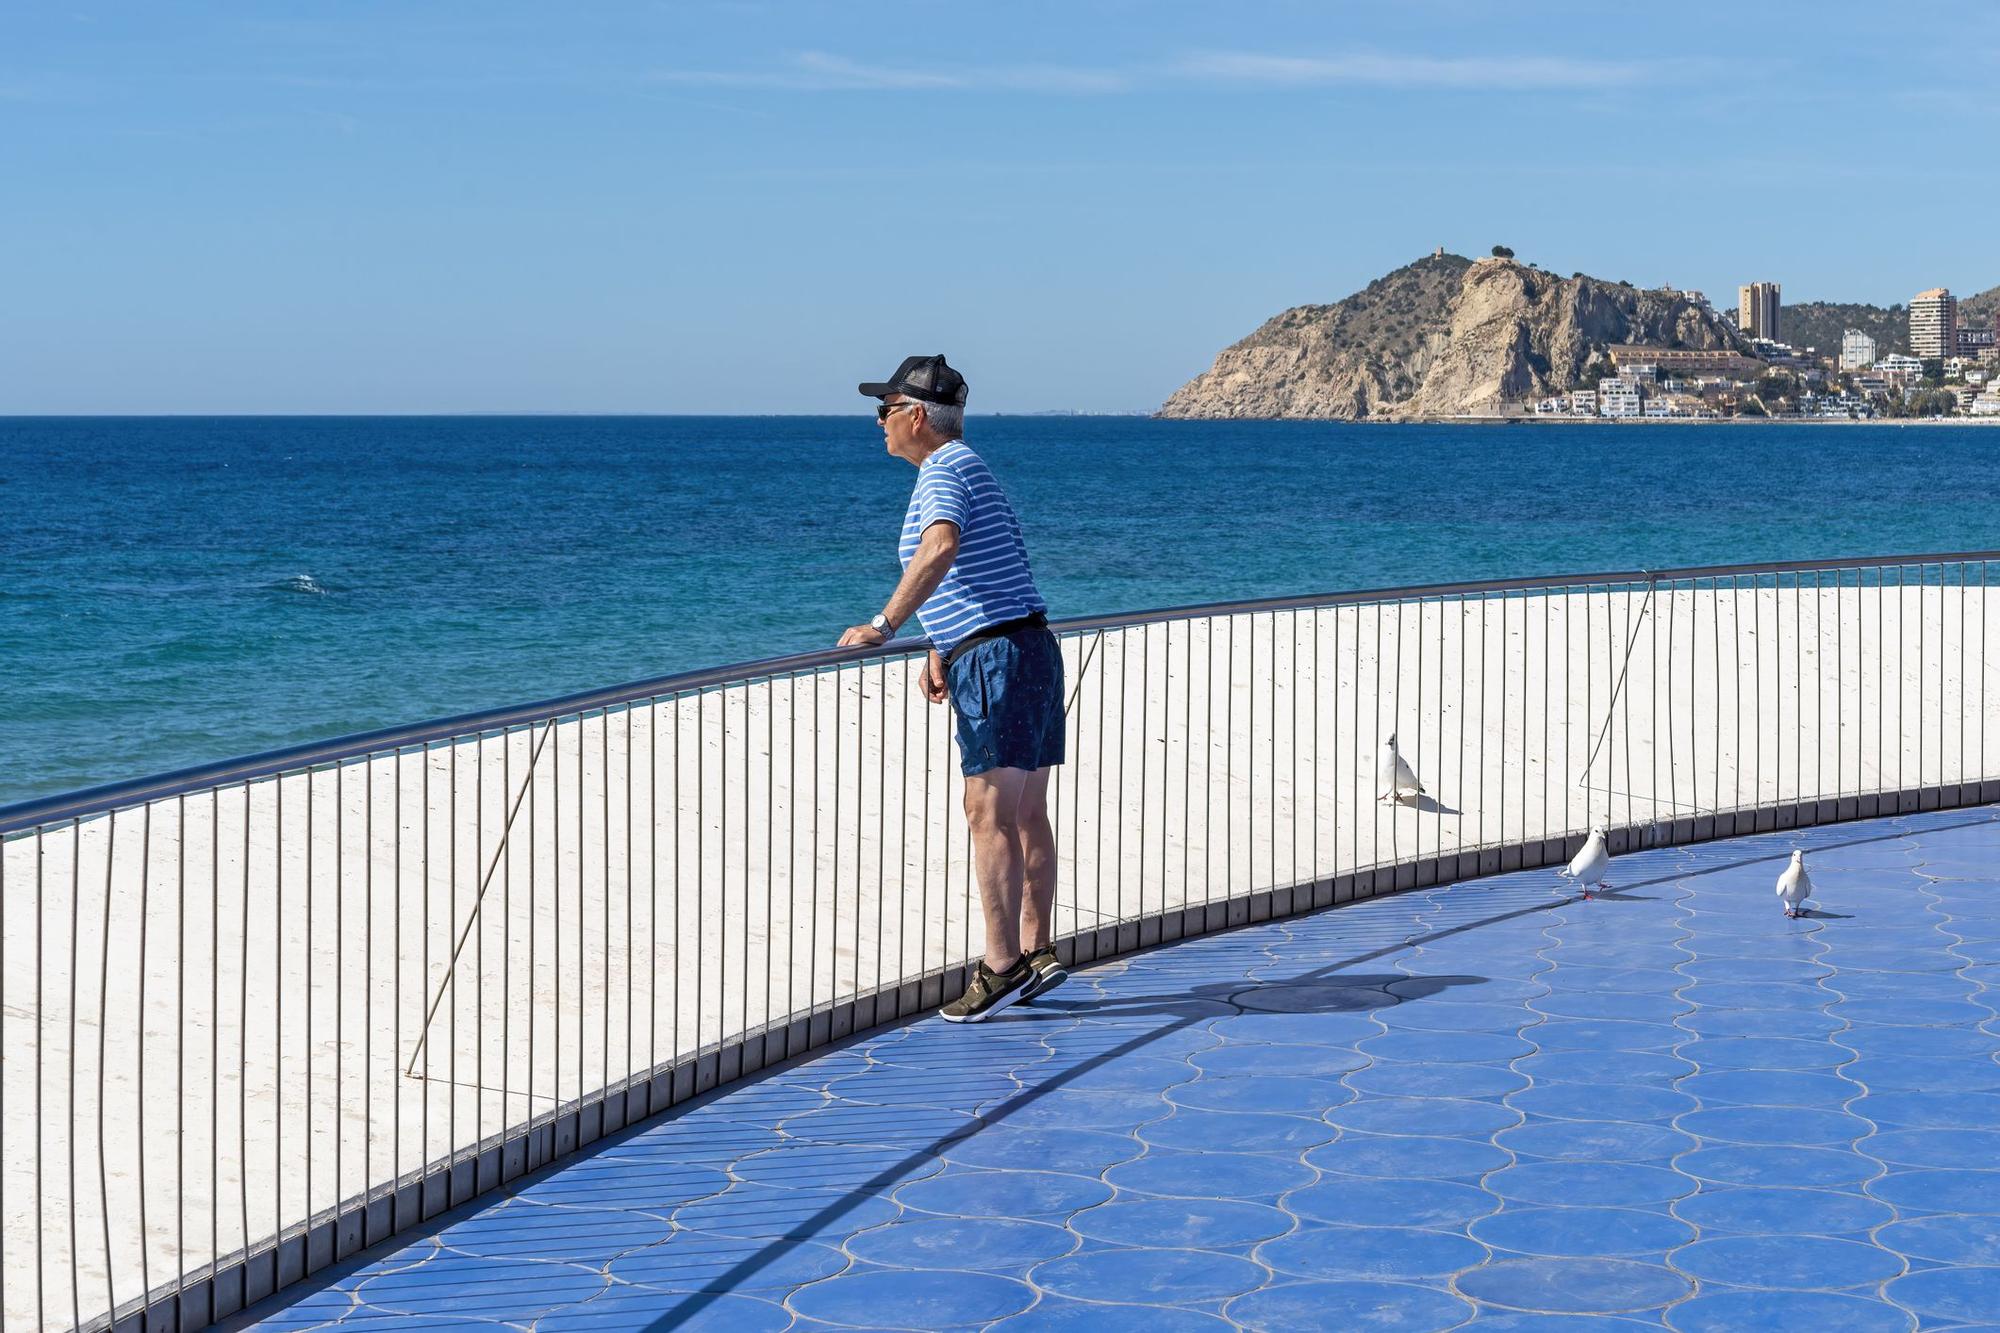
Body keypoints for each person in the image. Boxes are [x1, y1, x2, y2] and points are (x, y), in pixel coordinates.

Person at [838, 354, 1067, 1022]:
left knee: (986, 812)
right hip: (1025, 645)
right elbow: (984, 566)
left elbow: (941, 547)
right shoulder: (971, 468)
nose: (878, 422)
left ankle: (1000, 966)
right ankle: (1039, 949)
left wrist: (884, 625)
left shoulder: (944, 469)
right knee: (1023, 811)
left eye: (884, 409)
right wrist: (941, 641)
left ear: (915, 416)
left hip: (997, 657)